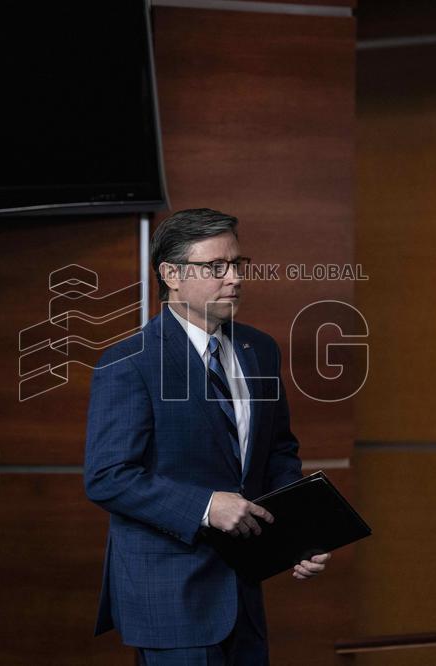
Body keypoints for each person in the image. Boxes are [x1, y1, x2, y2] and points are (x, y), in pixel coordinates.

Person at [84, 208, 331, 665]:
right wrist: (205, 506)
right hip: (169, 593)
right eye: (216, 267)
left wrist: (299, 536)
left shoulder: (259, 350)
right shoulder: (129, 362)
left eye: (238, 265)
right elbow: (107, 476)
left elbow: (278, 453)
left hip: (244, 590)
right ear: (171, 274)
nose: (234, 278)